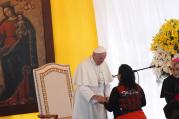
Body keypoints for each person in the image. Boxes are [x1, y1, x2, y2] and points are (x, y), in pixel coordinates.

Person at [0, 1, 38, 104]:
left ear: (12, 10)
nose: (7, 12)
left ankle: (22, 95)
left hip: (21, 48)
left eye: (8, 10)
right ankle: (11, 93)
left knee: (21, 70)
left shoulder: (22, 20)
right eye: (5, 11)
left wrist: (25, 34)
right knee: (8, 65)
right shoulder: (4, 23)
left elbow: (30, 32)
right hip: (8, 49)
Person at [72, 46, 113, 119]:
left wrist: (107, 96)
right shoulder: (83, 65)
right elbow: (81, 87)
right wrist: (95, 97)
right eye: (100, 58)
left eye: (103, 58)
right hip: (87, 101)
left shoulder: (104, 64)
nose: (102, 61)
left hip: (101, 101)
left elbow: (107, 84)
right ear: (93, 55)